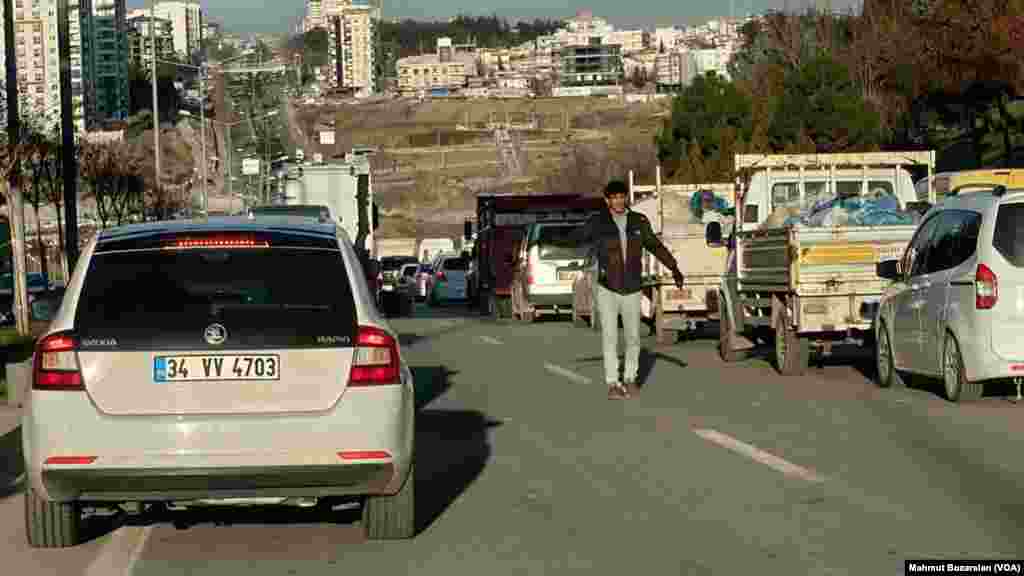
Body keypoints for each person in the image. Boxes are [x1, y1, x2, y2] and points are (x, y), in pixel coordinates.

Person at [569, 179, 685, 399]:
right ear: (607, 200)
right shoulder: (598, 222)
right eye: (614, 197)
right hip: (607, 288)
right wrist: (554, 240)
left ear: (626, 198)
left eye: (622, 196)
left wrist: (674, 268)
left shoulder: (638, 221)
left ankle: (630, 379)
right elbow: (576, 237)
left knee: (633, 338)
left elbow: (654, 245)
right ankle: (613, 382)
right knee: (610, 337)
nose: (619, 201)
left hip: (632, 287)